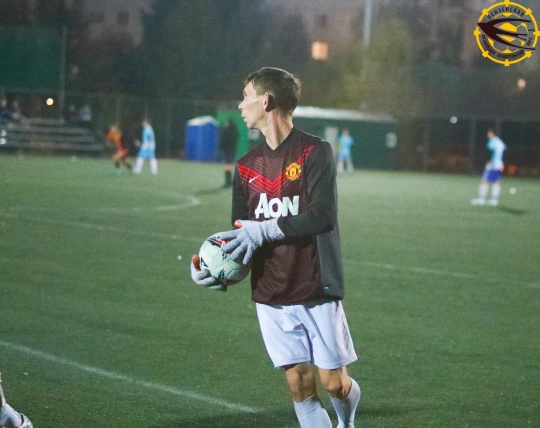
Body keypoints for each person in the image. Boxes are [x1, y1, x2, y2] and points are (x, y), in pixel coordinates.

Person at [191, 67, 360, 428]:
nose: (240, 105)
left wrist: (266, 229)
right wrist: (214, 270)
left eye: (246, 96)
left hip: (314, 284)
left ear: (266, 101)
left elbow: (322, 217)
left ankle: (346, 422)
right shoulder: (245, 167)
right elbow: (242, 236)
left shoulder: (315, 151)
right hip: (270, 291)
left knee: (334, 383)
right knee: (299, 384)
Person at [471, 129, 507, 206]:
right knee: (496, 182)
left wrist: (489, 160)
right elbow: (504, 152)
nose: (488, 135)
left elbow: (490, 152)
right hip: (499, 164)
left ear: (492, 134)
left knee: (484, 181)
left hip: (492, 164)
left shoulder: (492, 141)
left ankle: (481, 199)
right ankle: (494, 200)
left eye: (489, 134)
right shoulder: (500, 142)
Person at [219, 119, 239, 187]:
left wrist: (221, 148)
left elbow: (224, 141)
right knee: (229, 165)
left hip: (227, 151)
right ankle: (230, 181)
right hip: (232, 151)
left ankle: (228, 181)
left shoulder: (227, 131)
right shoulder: (235, 131)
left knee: (227, 166)